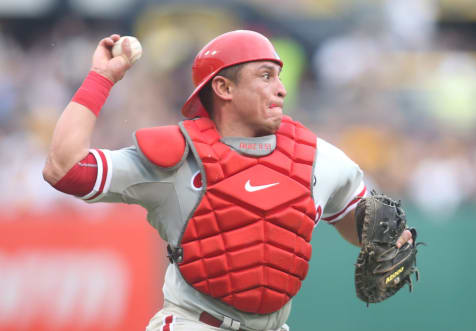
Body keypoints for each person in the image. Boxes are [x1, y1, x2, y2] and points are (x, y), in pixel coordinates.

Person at [43, 30, 413, 331]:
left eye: (279, 76)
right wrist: (102, 77)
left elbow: (353, 221)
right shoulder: (175, 155)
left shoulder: (317, 157)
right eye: (265, 76)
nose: (281, 88)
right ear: (223, 88)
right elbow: (65, 170)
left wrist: (381, 238)